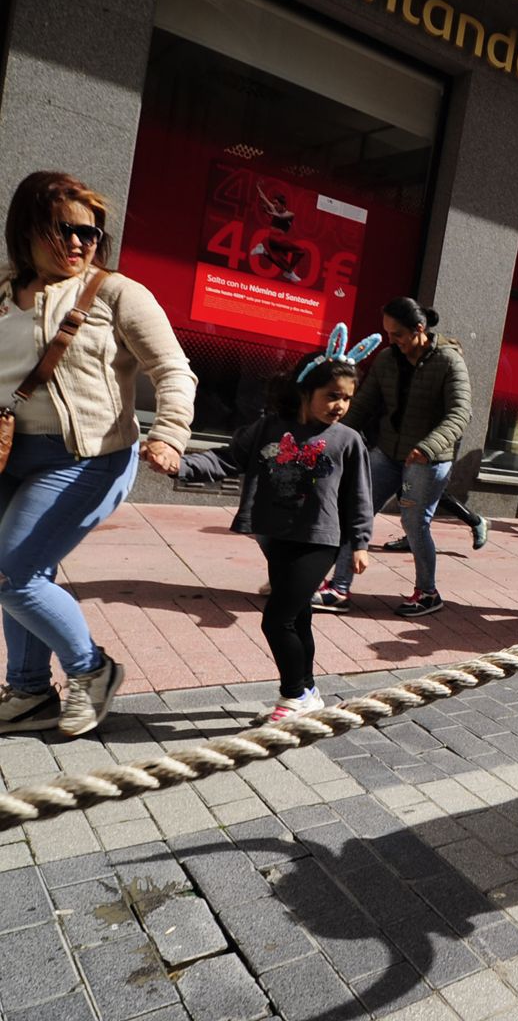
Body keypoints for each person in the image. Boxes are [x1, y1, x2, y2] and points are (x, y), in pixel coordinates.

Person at [0, 171, 197, 737]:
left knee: (12, 572)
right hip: (11, 454)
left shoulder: (115, 292)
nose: (84, 243)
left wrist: (170, 432)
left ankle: (93, 671)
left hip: (86, 458)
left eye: (94, 233)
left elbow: (173, 370)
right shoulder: (3, 291)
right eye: (68, 230)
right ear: (29, 227)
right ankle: (31, 690)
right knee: (21, 573)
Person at [174, 331, 374, 721]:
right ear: (305, 391)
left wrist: (360, 543)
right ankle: (309, 689)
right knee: (299, 616)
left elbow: (359, 496)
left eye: (347, 397)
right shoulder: (269, 428)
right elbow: (228, 459)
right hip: (275, 534)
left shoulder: (348, 440)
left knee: (276, 619)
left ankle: (292, 695)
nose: (341, 405)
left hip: (320, 539)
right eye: (333, 395)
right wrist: (181, 466)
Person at [313, 297, 470, 618]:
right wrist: (327, 436)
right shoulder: (387, 359)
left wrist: (428, 447)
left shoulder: (449, 361)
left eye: (397, 334)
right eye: (387, 333)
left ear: (419, 330)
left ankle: (428, 592)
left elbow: (460, 412)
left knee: (414, 523)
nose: (391, 340)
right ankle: (339, 588)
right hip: (388, 451)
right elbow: (364, 405)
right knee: (357, 512)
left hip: (429, 458)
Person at [250, 182, 304, 284]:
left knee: (280, 258)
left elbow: (282, 217)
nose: (274, 205)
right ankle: (289, 271)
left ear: (283, 204)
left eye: (276, 203)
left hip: (278, 239)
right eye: (273, 203)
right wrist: (258, 187)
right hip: (275, 238)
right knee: (301, 251)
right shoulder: (275, 209)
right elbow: (263, 198)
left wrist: (271, 212)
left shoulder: (290, 214)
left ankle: (264, 251)